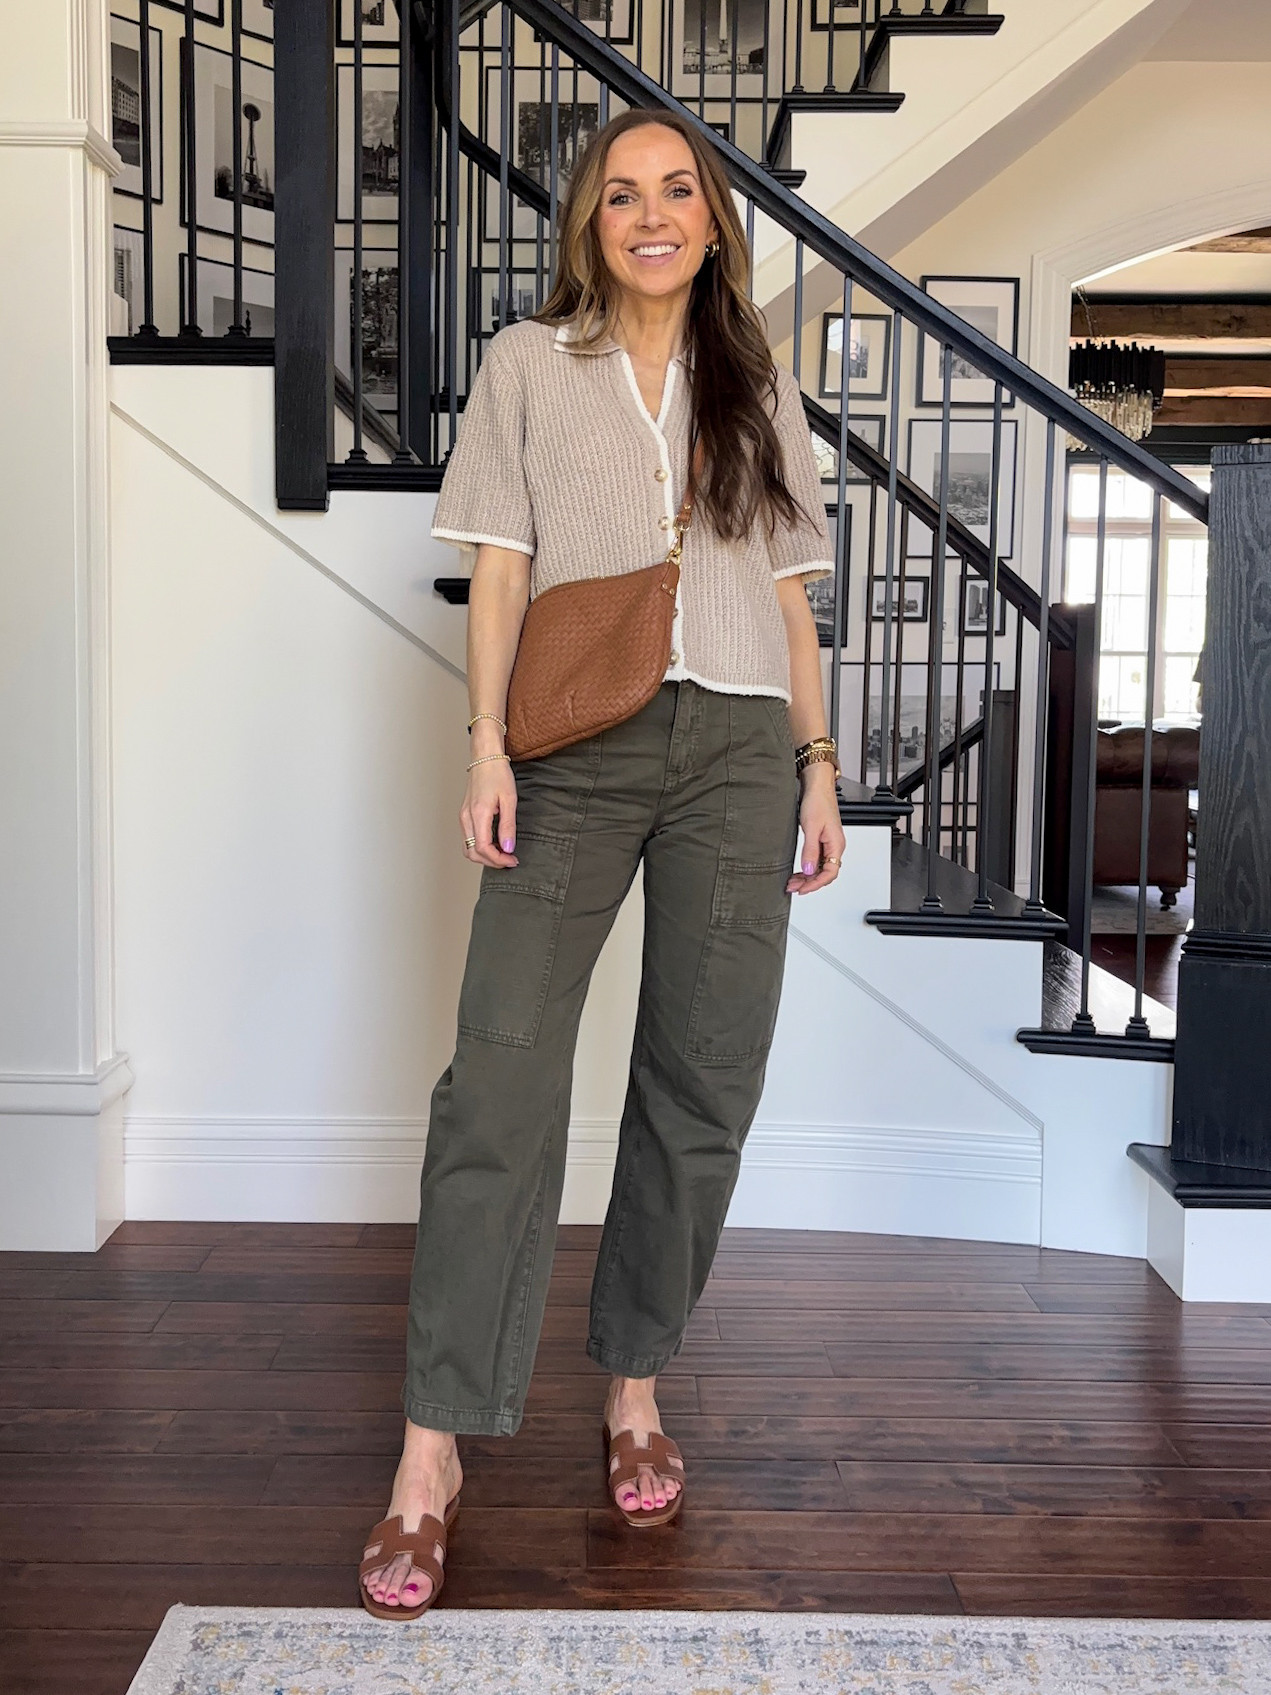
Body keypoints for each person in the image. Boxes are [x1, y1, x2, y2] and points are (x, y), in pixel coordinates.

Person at [359, 107, 846, 1619]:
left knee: (702, 1079)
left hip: (740, 751)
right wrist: (486, 748)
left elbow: (788, 597)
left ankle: (632, 1383)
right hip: (570, 745)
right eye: (621, 193)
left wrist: (822, 770)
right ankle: (430, 1453)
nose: (649, 215)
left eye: (676, 192)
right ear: (591, 220)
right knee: (497, 1077)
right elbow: (496, 572)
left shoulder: (757, 383)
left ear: (712, 222)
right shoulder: (527, 365)